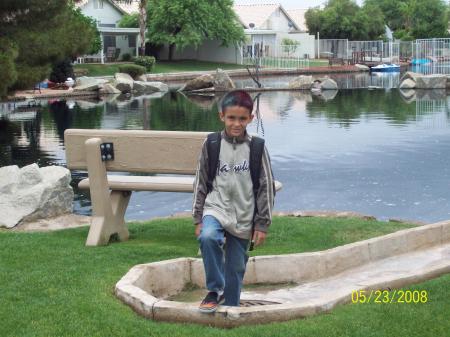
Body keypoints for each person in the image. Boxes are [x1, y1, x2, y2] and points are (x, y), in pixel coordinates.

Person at [192, 89, 275, 313]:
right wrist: (198, 217)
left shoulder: (257, 148)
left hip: (244, 214)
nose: (236, 123)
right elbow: (200, 182)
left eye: (242, 118)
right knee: (208, 237)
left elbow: (266, 187)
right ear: (222, 116)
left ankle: (230, 308)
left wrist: (262, 223)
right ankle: (214, 290)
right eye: (231, 118)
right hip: (215, 207)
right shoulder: (211, 144)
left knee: (236, 268)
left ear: (251, 118)